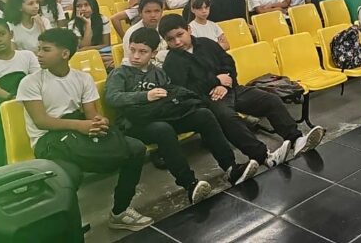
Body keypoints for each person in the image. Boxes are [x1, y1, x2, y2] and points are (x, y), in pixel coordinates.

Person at [17, 28, 153, 231]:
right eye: (39, 49)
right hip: (47, 140)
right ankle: (67, 224)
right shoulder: (30, 82)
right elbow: (41, 122)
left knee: (135, 148)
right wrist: (80, 126)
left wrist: (99, 123)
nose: (39, 54)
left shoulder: (82, 78)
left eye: (46, 49)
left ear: (64, 54)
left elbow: (91, 114)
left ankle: (120, 211)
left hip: (76, 132)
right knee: (69, 173)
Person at [105, 28, 257, 198]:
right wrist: (146, 95)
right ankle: (189, 184)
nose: (136, 56)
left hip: (161, 114)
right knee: (163, 129)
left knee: (203, 115)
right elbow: (112, 97)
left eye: (142, 52)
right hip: (135, 123)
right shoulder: (120, 73)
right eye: (132, 50)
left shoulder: (157, 73)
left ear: (154, 53)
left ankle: (230, 167)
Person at [160, 15, 324, 168]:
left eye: (180, 34)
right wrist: (216, 82)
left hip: (232, 89)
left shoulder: (207, 43)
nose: (177, 41)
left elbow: (228, 63)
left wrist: (225, 83)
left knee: (269, 99)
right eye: (171, 39)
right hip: (209, 99)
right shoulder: (171, 62)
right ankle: (264, 156)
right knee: (227, 117)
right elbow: (184, 91)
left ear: (188, 29)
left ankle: (296, 140)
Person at [0, 18, 40, 168]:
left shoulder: (27, 55)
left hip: (27, 100)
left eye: (1, 34)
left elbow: (37, 80)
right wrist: (14, 99)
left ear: (10, 34)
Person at [68, 0, 112, 67]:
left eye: (86, 5)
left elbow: (106, 45)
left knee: (112, 61)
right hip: (82, 57)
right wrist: (88, 25)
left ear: (93, 6)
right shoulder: (72, 24)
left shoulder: (103, 19)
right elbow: (82, 48)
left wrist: (86, 49)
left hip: (101, 53)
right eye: (79, 6)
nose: (83, 9)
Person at [122, 0, 167, 65]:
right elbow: (129, 61)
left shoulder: (165, 29)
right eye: (148, 12)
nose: (153, 15)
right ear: (140, 13)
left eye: (157, 11)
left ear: (162, 12)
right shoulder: (132, 33)